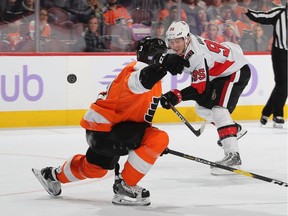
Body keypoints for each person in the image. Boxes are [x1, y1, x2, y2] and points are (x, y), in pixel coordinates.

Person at [32, 36, 189, 206]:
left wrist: (148, 146)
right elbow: (142, 81)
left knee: (94, 169)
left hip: (105, 131)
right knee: (159, 138)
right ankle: (125, 186)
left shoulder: (150, 78)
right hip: (108, 132)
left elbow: (135, 109)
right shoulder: (135, 70)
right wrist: (151, 142)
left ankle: (51, 175)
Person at [160, 21, 251, 174]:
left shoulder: (196, 55)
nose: (174, 45)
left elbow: (199, 89)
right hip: (219, 74)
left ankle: (233, 157)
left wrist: (177, 95)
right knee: (201, 108)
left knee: (218, 110)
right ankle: (234, 129)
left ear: (187, 38)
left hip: (236, 70)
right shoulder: (185, 46)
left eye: (178, 41)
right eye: (172, 41)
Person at [237, 4, 287, 128]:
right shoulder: (280, 12)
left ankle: (266, 112)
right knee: (283, 83)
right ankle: (277, 114)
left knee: (282, 85)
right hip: (280, 52)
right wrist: (248, 12)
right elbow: (263, 17)